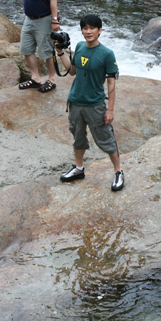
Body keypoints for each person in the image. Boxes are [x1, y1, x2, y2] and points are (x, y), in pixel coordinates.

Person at [55, 14, 124, 192]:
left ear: (99, 30)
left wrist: (110, 110)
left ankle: (118, 171)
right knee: (78, 137)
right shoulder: (79, 47)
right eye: (85, 28)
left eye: (92, 28)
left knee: (106, 139)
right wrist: (60, 52)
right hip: (75, 102)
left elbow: (111, 83)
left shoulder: (107, 54)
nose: (88, 31)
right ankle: (79, 168)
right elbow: (71, 71)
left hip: (95, 104)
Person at [17, 0, 61, 93]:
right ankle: (35, 78)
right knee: (26, 48)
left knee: (46, 51)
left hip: (44, 19)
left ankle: (52, 79)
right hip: (29, 19)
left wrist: (54, 20)